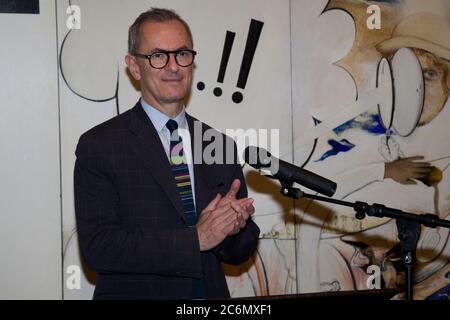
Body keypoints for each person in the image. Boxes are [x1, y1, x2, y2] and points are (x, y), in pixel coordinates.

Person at [74, 7, 260, 300]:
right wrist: (196, 240)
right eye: (158, 56)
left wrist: (234, 227)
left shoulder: (218, 144)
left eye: (182, 54)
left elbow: (241, 249)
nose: (173, 66)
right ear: (134, 67)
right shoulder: (100, 145)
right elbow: (100, 248)